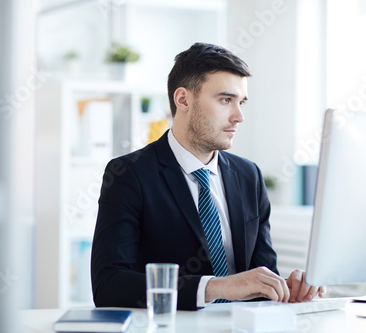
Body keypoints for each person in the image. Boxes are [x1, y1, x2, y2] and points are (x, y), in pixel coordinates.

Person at [91, 43, 326, 310]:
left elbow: (259, 276)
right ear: (183, 100)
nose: (239, 116)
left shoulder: (249, 175)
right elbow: (108, 285)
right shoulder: (129, 174)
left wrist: (285, 289)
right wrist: (216, 287)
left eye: (241, 102)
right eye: (226, 100)